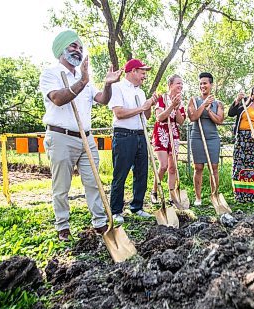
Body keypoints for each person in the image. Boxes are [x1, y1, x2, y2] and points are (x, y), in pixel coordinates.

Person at [39, 30, 123, 241]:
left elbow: (102, 99)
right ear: (62, 50)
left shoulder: (83, 78)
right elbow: (58, 99)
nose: (77, 50)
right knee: (61, 186)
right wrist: (83, 82)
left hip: (86, 137)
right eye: (73, 46)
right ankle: (63, 226)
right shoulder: (51, 73)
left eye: (79, 47)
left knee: (93, 181)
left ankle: (100, 223)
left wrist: (107, 85)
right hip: (60, 137)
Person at [109, 58, 158, 222]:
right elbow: (119, 113)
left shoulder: (141, 92)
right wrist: (141, 108)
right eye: (142, 72)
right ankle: (116, 210)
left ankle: (137, 206)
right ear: (133, 71)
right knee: (120, 173)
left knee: (141, 172)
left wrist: (149, 105)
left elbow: (147, 116)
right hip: (123, 135)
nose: (145, 76)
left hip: (140, 134)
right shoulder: (117, 87)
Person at [187, 72, 225, 206]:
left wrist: (209, 110)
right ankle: (198, 198)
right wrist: (203, 104)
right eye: (201, 83)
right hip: (197, 136)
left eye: (205, 83)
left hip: (212, 137)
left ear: (211, 85)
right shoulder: (193, 100)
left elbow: (220, 120)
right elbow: (192, 117)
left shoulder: (218, 103)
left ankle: (214, 195)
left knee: (213, 166)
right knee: (198, 167)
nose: (203, 86)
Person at [150, 74, 186, 204]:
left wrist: (176, 108)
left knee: (173, 167)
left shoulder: (181, 102)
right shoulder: (162, 98)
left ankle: (172, 195)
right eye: (178, 83)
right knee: (164, 165)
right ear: (170, 85)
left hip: (174, 133)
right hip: (161, 132)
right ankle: (154, 191)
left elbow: (181, 121)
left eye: (182, 84)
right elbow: (159, 117)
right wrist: (171, 106)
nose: (180, 86)